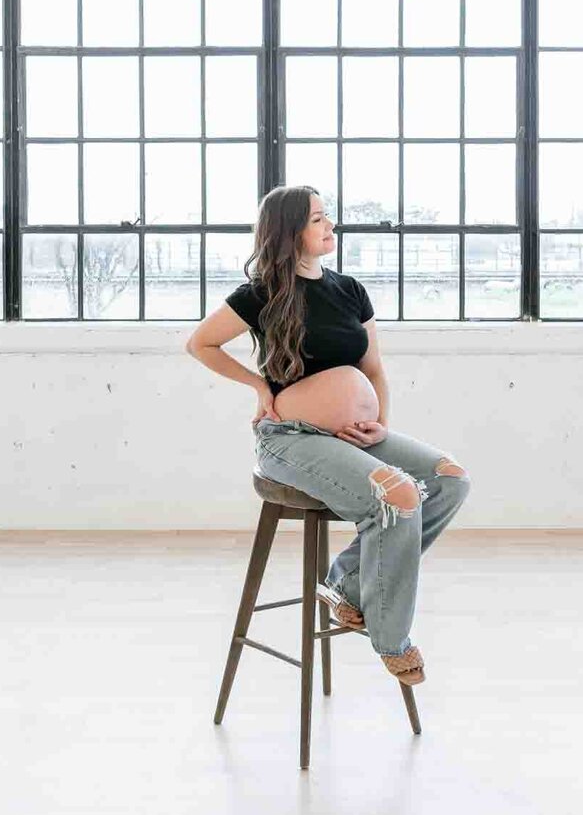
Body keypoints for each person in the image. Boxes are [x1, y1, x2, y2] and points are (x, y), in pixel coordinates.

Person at [185, 184, 471, 686]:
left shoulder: (350, 290)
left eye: (327, 216)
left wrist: (379, 418)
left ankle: (344, 582)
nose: (330, 226)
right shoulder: (260, 294)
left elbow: (374, 368)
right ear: (290, 229)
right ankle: (392, 639)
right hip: (291, 439)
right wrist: (257, 387)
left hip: (356, 434)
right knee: (398, 494)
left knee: (450, 479)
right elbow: (200, 343)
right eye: (319, 219)